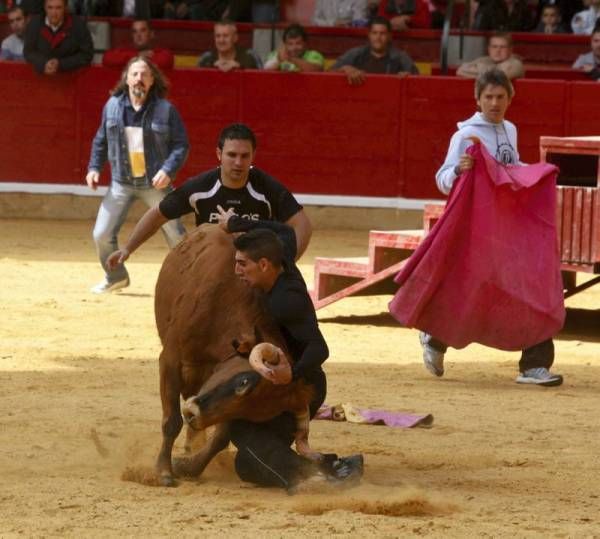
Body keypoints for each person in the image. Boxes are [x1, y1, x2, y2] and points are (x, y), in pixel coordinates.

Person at [421, 68, 563, 387]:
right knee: (475, 290)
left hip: (508, 226)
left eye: (501, 97)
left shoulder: (509, 129)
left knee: (528, 288)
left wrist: (537, 173)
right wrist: (459, 168)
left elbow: (510, 170)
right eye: (489, 97)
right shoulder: (465, 136)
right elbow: (442, 181)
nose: (495, 103)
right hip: (477, 230)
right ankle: (436, 338)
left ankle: (534, 364)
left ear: (510, 99)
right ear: (478, 99)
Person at [218, 211, 364, 491]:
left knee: (242, 432)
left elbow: (319, 348)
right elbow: (282, 230)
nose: (236, 271)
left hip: (301, 386)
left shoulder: (286, 301)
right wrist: (239, 224)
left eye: (242, 264)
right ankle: (336, 467)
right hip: (284, 381)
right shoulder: (281, 259)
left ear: (263, 264)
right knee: (249, 462)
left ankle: (310, 477)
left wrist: (291, 374)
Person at [104, 123, 313, 273]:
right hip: (212, 268)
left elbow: (302, 224)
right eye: (232, 155)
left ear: (253, 156)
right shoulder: (200, 187)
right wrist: (128, 248)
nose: (238, 163)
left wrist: (286, 262)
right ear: (218, 154)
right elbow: (158, 214)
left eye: (244, 156)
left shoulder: (266, 187)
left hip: (257, 269)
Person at [86, 56, 187, 294]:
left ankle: (188, 279)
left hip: (154, 182)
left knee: (176, 234)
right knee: (101, 234)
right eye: (134, 74)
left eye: (144, 75)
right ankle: (116, 277)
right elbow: (101, 139)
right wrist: (93, 167)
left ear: (153, 81)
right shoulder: (112, 106)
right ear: (127, 79)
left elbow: (181, 145)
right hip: (122, 182)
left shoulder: (165, 110)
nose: (139, 79)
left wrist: (167, 170)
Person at [331, 16, 418, 85]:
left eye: (382, 33)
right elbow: (328, 73)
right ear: (369, 35)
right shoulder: (355, 54)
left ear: (390, 36)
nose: (378, 37)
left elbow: (419, 82)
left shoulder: (401, 57)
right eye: (374, 33)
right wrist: (343, 69)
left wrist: (409, 79)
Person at [23, 0, 93, 75]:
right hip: (41, 78)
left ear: (65, 8)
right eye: (50, 8)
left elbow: (86, 54)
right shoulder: (34, 23)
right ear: (44, 8)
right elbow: (29, 52)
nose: (54, 13)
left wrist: (61, 64)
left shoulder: (78, 25)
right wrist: (43, 63)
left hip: (71, 78)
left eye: (58, 8)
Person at [102, 19, 174, 71]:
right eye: (135, 31)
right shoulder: (125, 50)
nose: (138, 35)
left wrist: (131, 59)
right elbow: (107, 58)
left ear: (151, 34)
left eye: (143, 30)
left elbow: (166, 61)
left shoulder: (161, 52)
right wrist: (137, 56)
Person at [457, 32, 524, 80]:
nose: (498, 50)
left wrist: (479, 68)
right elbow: (460, 70)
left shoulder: (516, 64)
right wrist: (494, 69)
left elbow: (499, 77)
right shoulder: (483, 60)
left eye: (503, 47)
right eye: (494, 47)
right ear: (489, 49)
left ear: (510, 49)